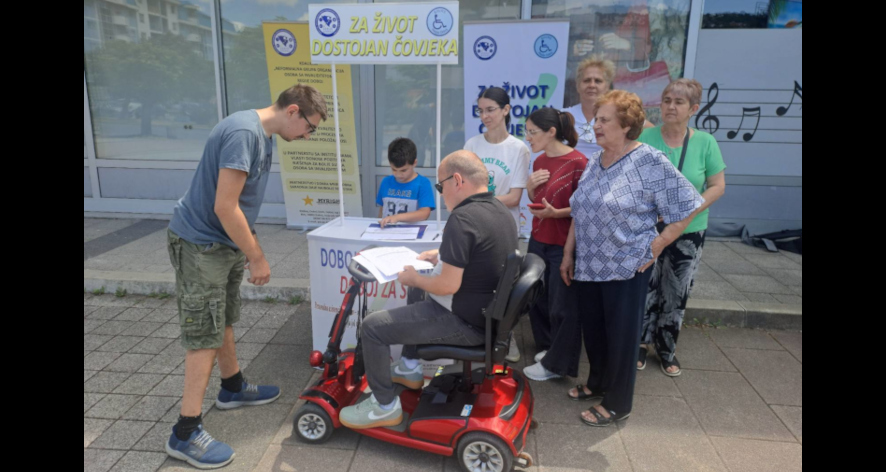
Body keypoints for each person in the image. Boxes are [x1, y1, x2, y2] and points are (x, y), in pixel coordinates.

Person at [165, 84, 327, 468]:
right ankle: (185, 432)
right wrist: (257, 257)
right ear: (292, 111)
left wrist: (245, 243)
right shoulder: (244, 134)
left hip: (222, 244)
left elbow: (236, 204)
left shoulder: (261, 134)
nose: (307, 136)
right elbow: (225, 206)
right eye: (310, 127)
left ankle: (233, 387)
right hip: (201, 245)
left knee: (223, 318)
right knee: (203, 334)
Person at [339, 151, 517, 430]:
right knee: (419, 287)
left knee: (373, 327)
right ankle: (409, 367)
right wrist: (440, 255)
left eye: (440, 186)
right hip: (485, 315)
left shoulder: (463, 219)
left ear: (456, 180)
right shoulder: (499, 210)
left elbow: (448, 285)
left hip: (464, 321)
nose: (440, 193)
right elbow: (481, 255)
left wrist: (413, 279)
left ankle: (384, 407)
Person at [561, 90, 703, 427]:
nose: (595, 125)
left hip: (626, 265)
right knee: (594, 331)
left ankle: (618, 402)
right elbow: (581, 212)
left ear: (626, 125)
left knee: (622, 337)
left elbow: (689, 202)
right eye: (596, 119)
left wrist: (659, 242)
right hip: (588, 264)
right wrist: (569, 253)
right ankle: (598, 382)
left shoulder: (649, 161)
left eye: (604, 120)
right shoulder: (596, 160)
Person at [637, 79, 726, 376]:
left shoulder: (705, 143)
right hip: (648, 228)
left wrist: (689, 211)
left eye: (678, 102)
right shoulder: (645, 137)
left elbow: (717, 186)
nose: (670, 106)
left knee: (676, 291)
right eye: (666, 100)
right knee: (644, 287)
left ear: (693, 109)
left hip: (689, 230)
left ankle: (666, 349)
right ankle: (638, 344)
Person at [520, 108, 588, 382]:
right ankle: (549, 350)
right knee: (536, 298)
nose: (528, 137)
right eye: (526, 131)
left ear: (551, 132)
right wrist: (529, 189)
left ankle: (559, 365)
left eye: (532, 132)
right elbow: (539, 200)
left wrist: (555, 214)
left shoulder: (579, 162)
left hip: (563, 242)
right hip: (539, 237)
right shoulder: (538, 162)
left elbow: (583, 210)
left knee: (564, 305)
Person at [464, 86, 530, 363]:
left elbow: (514, 198)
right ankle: (473, 336)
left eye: (491, 109)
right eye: (481, 110)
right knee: (473, 285)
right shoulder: (471, 145)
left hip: (503, 229)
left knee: (503, 288)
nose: (485, 115)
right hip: (474, 227)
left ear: (506, 110)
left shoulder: (518, 149)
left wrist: (479, 201)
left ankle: (506, 338)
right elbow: (463, 188)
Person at [377, 137, 435, 227]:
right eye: (394, 169)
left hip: (411, 233)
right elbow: (382, 209)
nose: (398, 174)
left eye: (403, 170)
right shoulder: (386, 182)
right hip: (387, 233)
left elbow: (425, 213)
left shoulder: (423, 183)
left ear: (414, 163)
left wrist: (397, 217)